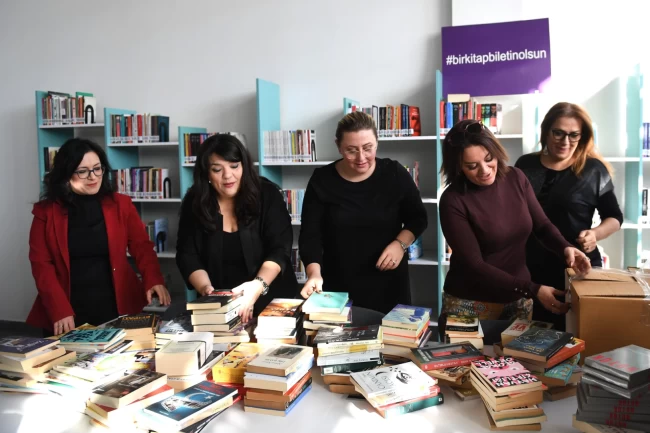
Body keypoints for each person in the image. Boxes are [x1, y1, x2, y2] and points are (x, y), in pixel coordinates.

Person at [438, 119, 591, 327]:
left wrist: (565, 247)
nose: (485, 170)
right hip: (469, 303)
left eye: (489, 159)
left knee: (517, 351)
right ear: (458, 167)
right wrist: (532, 289)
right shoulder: (453, 200)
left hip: (518, 300)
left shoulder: (516, 178)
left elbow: (542, 226)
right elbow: (474, 265)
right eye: (472, 166)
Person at [27, 138, 170, 335]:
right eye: (82, 171)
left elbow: (142, 247)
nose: (92, 176)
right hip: (66, 307)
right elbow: (41, 265)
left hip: (115, 303)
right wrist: (59, 308)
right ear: (66, 173)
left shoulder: (121, 204)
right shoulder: (46, 212)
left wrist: (153, 278)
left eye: (97, 168)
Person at [298, 111, 428, 314]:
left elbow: (418, 218)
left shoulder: (394, 173)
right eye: (351, 150)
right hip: (338, 285)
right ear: (338, 146)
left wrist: (400, 244)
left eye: (368, 148)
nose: (361, 158)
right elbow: (310, 235)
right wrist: (314, 273)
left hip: (389, 282)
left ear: (377, 143)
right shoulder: (322, 180)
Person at [516, 102, 623, 329]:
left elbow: (614, 217)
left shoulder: (594, 169)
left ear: (582, 137)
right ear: (546, 132)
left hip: (576, 267)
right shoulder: (525, 164)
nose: (565, 141)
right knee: (528, 341)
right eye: (558, 133)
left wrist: (595, 234)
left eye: (574, 135)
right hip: (531, 268)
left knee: (577, 337)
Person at [176, 134, 297, 323]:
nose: (227, 175)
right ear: (206, 173)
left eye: (234, 166)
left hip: (273, 300)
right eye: (217, 169)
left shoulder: (267, 195)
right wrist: (206, 289)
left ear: (244, 166)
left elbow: (280, 249)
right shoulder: (195, 202)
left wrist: (258, 285)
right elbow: (187, 255)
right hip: (222, 307)